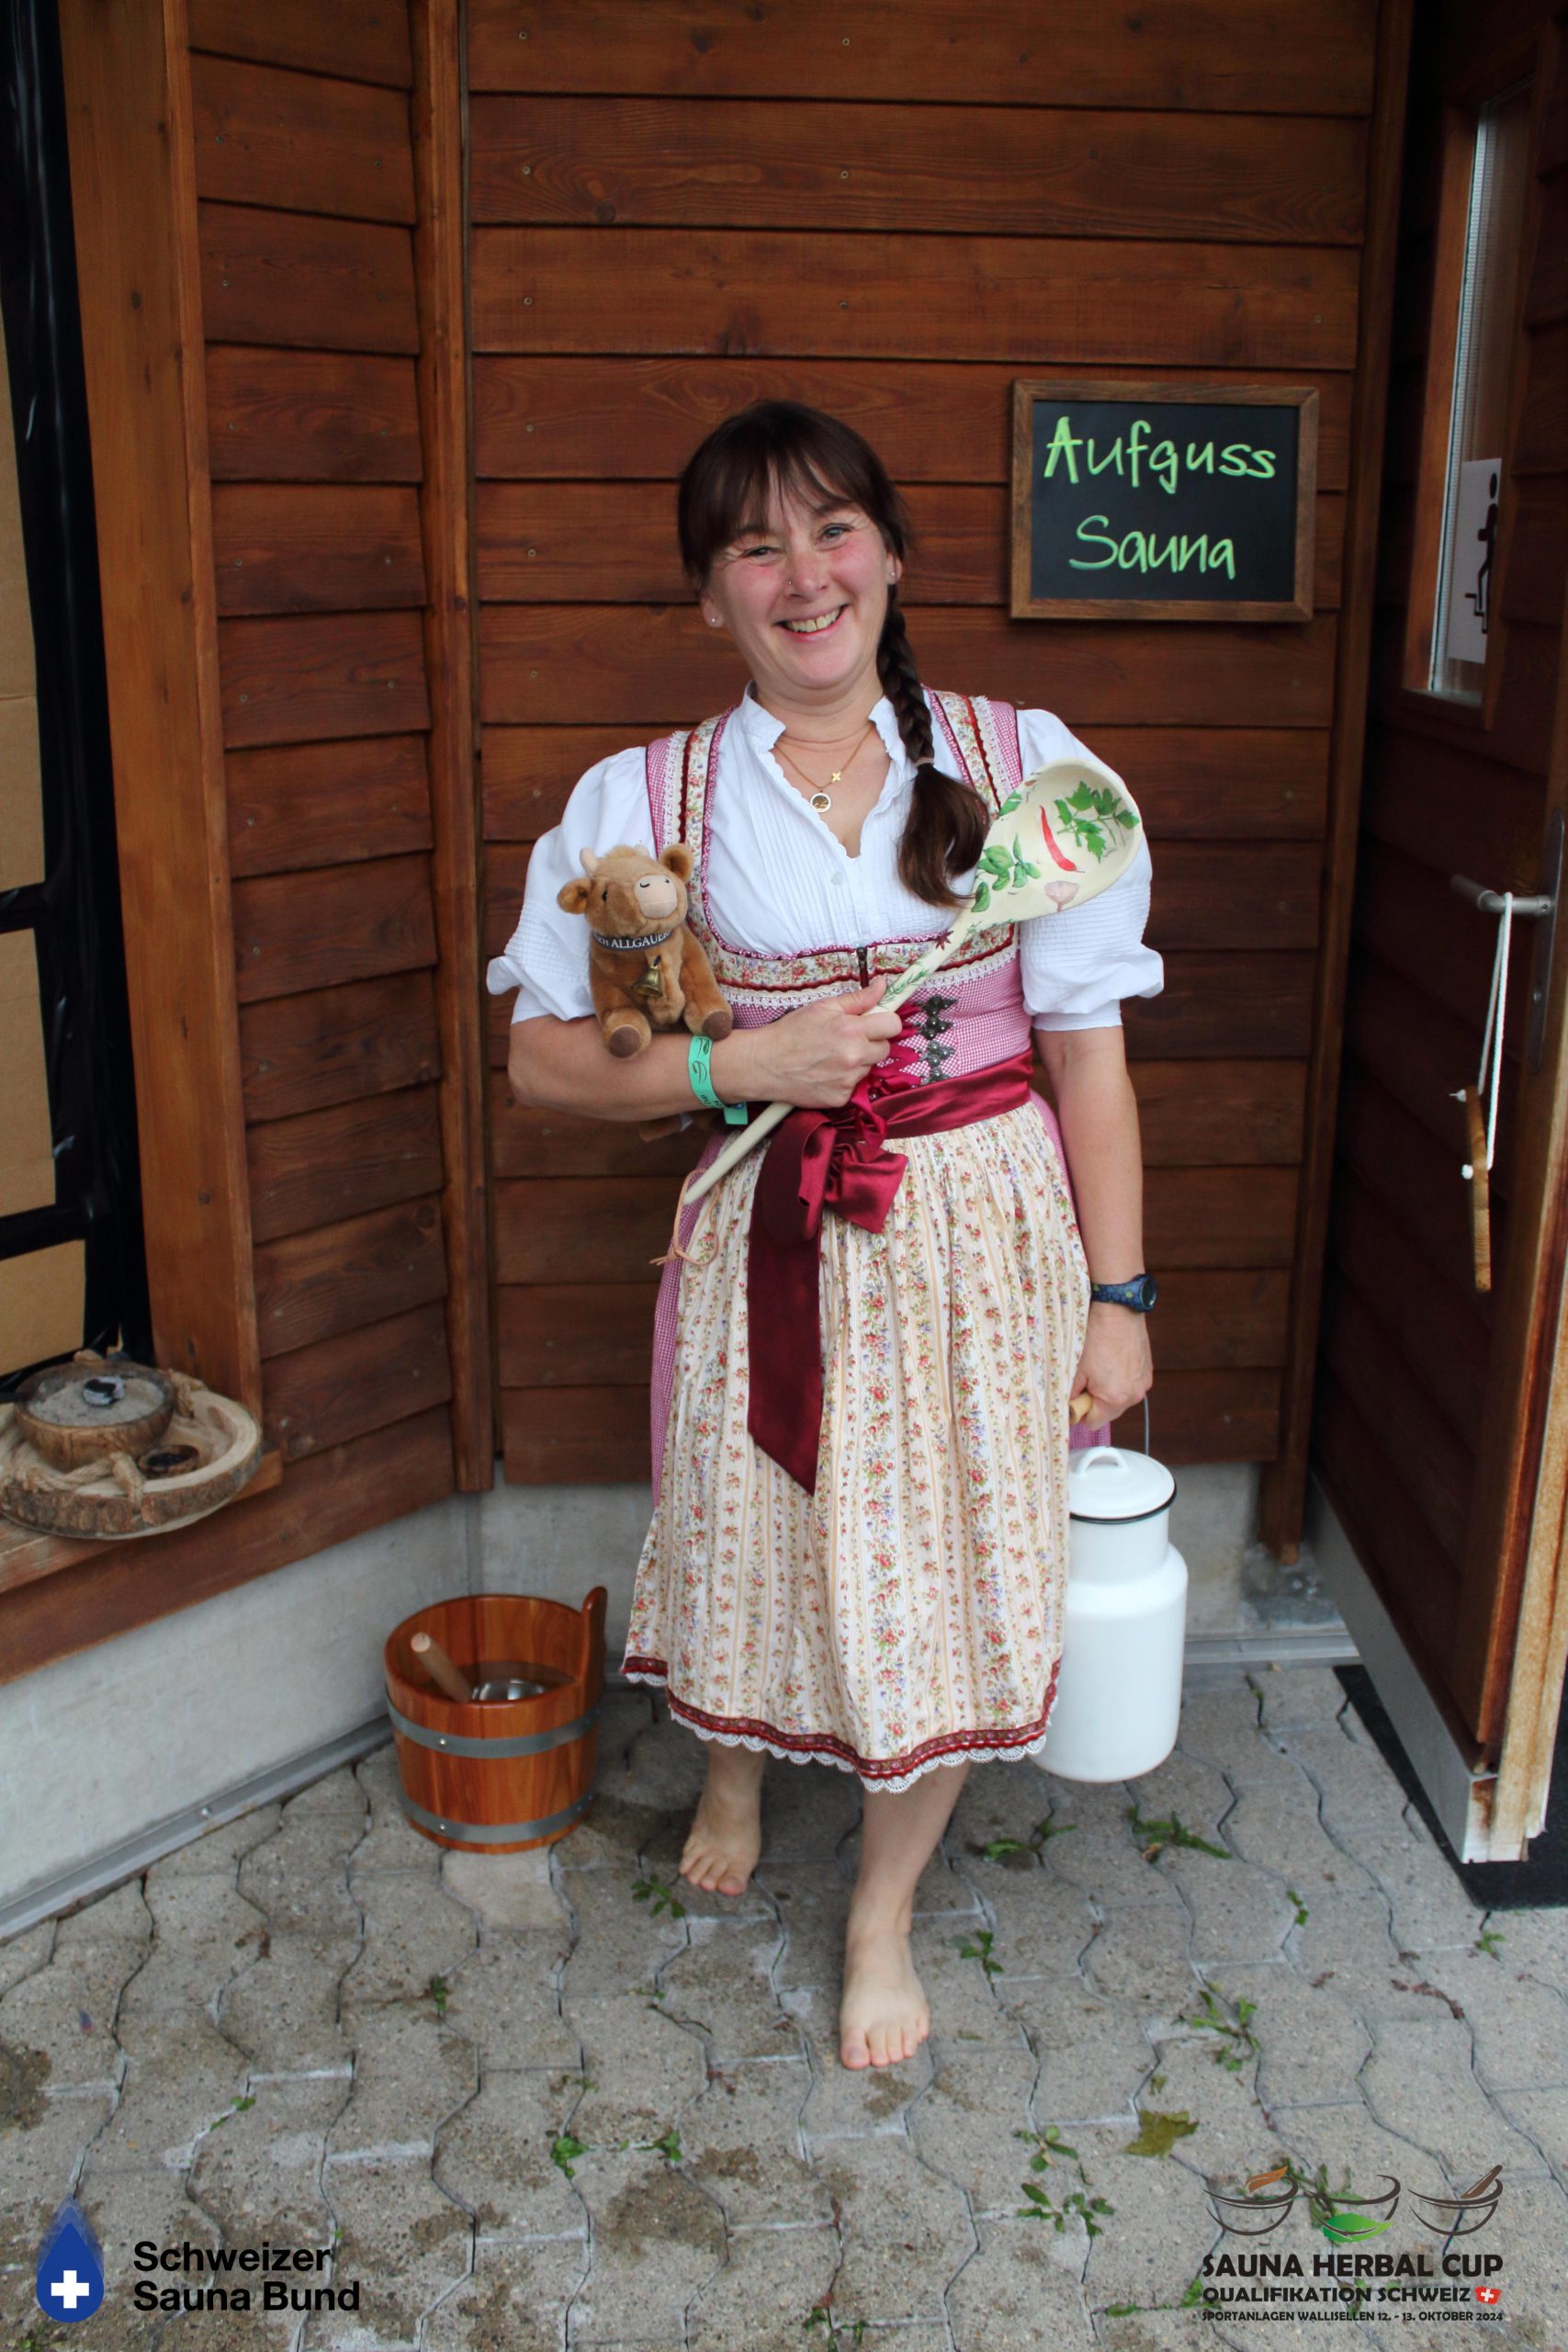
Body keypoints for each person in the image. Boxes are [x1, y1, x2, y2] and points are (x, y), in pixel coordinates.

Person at [489, 401, 1162, 2073]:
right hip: (770, 1232)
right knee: (757, 1525)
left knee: (950, 1563)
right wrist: (738, 1065)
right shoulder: (644, 802)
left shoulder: (1022, 769)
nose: (804, 578)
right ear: (707, 593)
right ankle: (735, 1761)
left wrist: (1121, 1297)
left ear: (894, 555)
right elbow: (543, 1060)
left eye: (834, 531)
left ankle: (880, 1912)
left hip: (983, 1237)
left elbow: (1087, 1055)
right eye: (756, 547)